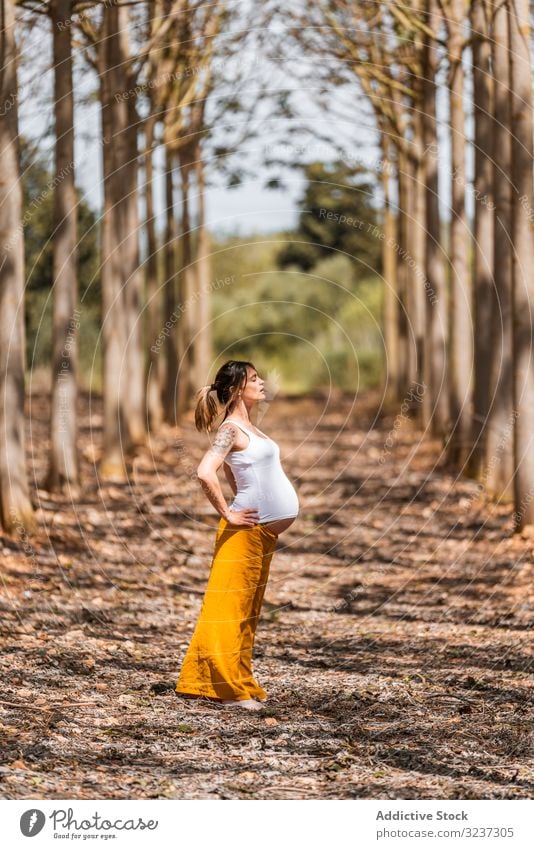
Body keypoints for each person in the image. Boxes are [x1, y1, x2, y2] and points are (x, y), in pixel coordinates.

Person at [175, 360, 299, 711]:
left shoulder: (251, 429)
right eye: (254, 380)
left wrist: (239, 496)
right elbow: (204, 471)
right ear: (235, 391)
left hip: (260, 534)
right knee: (228, 610)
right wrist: (228, 511)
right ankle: (226, 691)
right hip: (243, 532)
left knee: (247, 611)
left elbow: (233, 472)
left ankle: (233, 681)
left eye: (260, 377)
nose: (262, 384)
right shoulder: (230, 429)